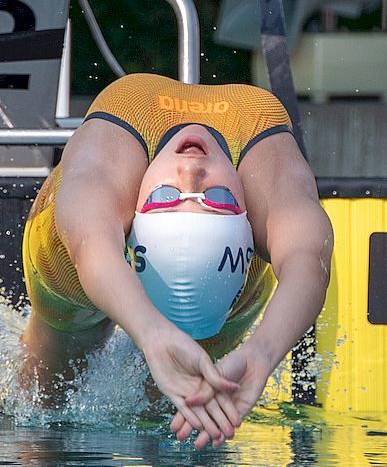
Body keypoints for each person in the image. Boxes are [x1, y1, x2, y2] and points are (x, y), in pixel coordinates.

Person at [19, 73, 333, 449]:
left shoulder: (118, 142)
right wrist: (259, 355)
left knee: (180, 411)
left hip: (217, 289)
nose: (191, 171)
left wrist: (260, 352)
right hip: (72, 260)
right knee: (45, 402)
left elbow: (307, 263)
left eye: (166, 196)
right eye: (219, 198)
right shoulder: (258, 131)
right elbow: (310, 259)